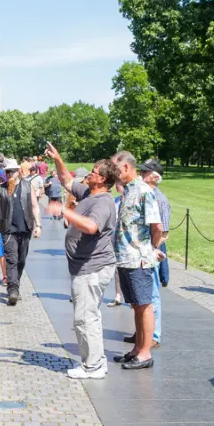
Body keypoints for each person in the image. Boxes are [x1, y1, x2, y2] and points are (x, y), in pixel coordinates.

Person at [45, 144, 118, 379]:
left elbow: (91, 226)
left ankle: (92, 365)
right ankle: (96, 361)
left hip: (92, 268)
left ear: (103, 179)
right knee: (88, 316)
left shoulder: (103, 202)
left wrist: (63, 212)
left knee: (85, 318)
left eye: (94, 171)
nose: (90, 173)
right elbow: (66, 180)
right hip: (83, 266)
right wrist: (58, 158)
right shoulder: (89, 193)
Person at [110, 151, 165, 370]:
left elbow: (157, 227)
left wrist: (151, 249)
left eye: (115, 168)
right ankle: (137, 348)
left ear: (125, 167)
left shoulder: (143, 191)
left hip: (138, 259)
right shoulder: (129, 190)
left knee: (145, 305)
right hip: (125, 258)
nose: (113, 173)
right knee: (135, 305)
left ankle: (145, 353)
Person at [0, 159, 42, 305]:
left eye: (13, 171)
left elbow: (35, 206)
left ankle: (15, 284)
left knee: (21, 260)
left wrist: (38, 225)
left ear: (18, 171)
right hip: (8, 230)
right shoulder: (0, 189)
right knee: (11, 259)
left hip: (25, 229)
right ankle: (12, 290)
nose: (10, 173)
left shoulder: (27, 186)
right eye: (8, 171)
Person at [108, 181, 126, 307]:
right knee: (117, 268)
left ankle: (132, 297)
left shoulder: (132, 201)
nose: (116, 186)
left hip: (128, 240)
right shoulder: (116, 200)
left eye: (118, 184)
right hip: (115, 237)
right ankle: (118, 295)